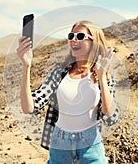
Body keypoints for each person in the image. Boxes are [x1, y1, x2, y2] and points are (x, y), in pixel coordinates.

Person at [17, 20, 119, 164]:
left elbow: (110, 116)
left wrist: (101, 77)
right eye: (71, 36)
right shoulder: (59, 74)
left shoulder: (105, 77)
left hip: (90, 143)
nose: (73, 40)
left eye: (80, 37)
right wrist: (26, 66)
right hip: (60, 142)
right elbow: (29, 107)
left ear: (94, 42)